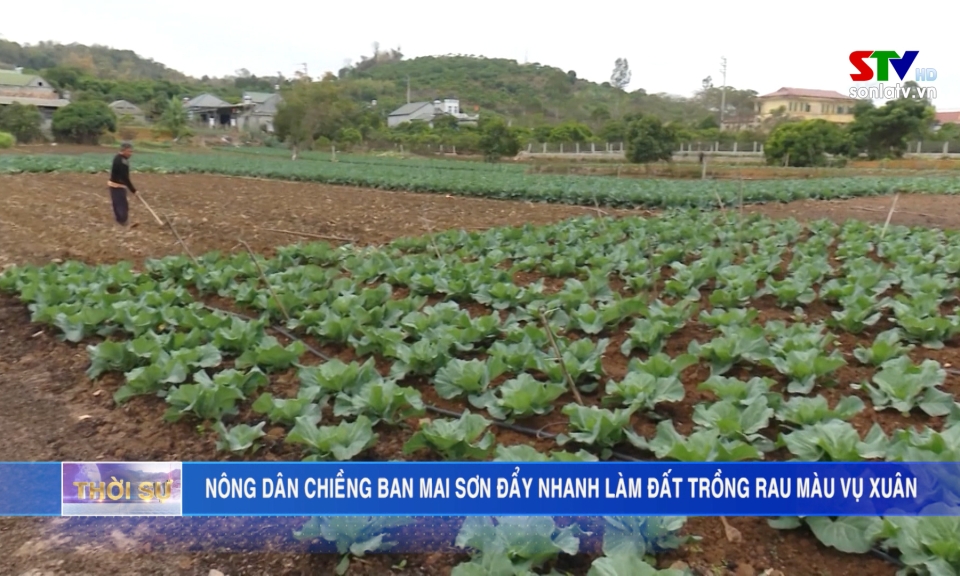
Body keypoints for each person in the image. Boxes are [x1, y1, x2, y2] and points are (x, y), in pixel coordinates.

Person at [108, 142, 138, 226]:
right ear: (124, 151)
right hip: (117, 186)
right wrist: (134, 190)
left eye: (131, 151)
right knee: (122, 205)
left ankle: (121, 222)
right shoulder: (122, 161)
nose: (131, 154)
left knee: (118, 204)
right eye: (129, 151)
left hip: (114, 185)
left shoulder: (117, 158)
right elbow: (125, 178)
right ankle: (123, 223)